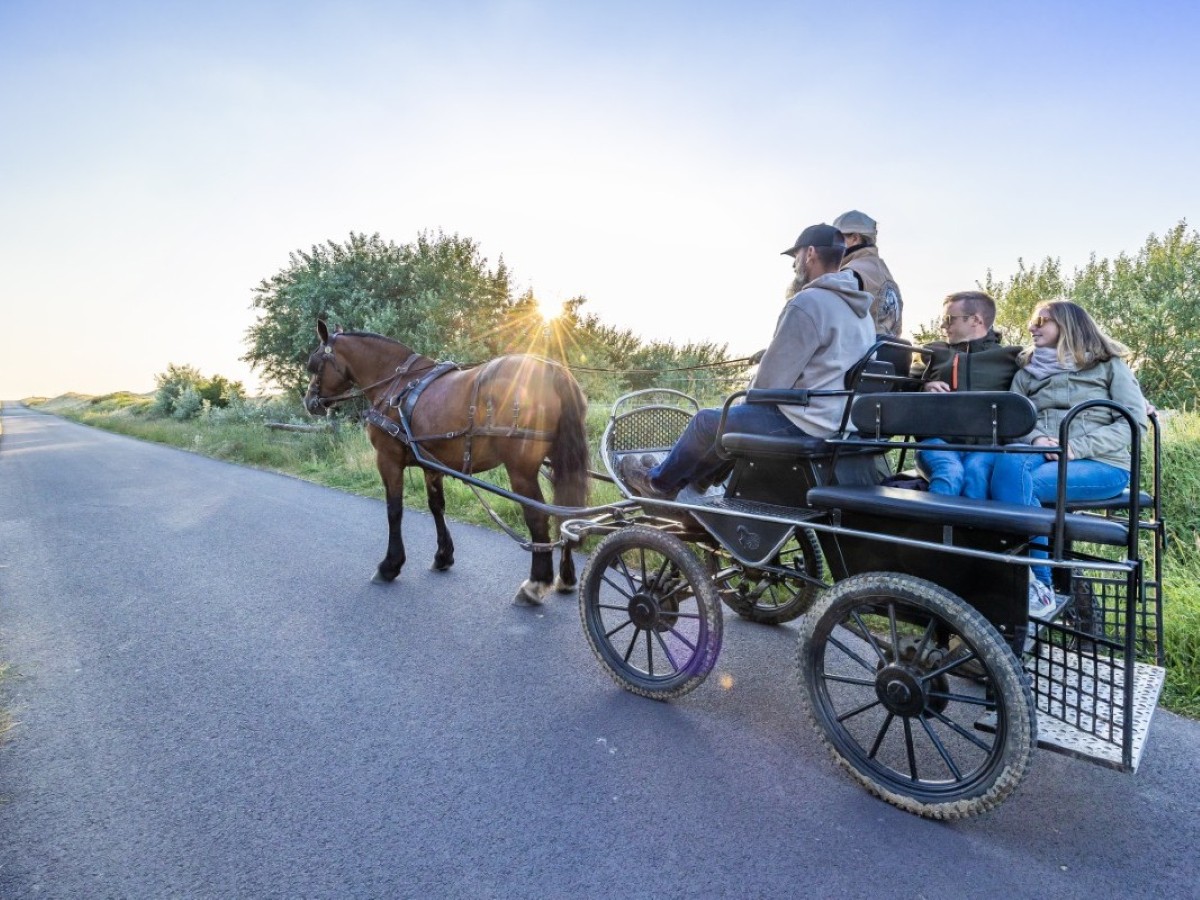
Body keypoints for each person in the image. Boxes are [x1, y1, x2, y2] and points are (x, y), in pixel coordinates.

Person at [620, 223, 875, 499]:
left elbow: (768, 385)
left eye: (797, 257)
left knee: (708, 421)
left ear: (810, 253)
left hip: (807, 423)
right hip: (838, 422)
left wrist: (741, 403)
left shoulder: (808, 302)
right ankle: (697, 485)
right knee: (731, 419)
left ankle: (658, 484)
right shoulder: (860, 313)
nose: (794, 266)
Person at [986, 300, 1148, 615]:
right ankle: (1034, 580)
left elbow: (1133, 423)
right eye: (1033, 320)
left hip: (1101, 463)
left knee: (1021, 482)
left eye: (1042, 321)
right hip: (1042, 451)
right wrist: (1036, 437)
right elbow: (1012, 421)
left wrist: (1076, 447)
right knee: (1008, 464)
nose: (1032, 326)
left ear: (1068, 325)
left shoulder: (1108, 365)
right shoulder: (1028, 371)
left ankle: (1037, 581)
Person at [910, 291, 1022, 496]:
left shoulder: (1010, 358)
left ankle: (968, 528)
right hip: (937, 443)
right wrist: (924, 387)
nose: (943, 326)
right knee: (950, 472)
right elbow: (903, 388)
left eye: (949, 319)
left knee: (976, 475)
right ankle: (933, 527)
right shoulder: (931, 353)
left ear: (976, 320)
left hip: (987, 447)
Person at [833, 209, 903, 337]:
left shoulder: (851, 274)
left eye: (837, 239)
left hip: (860, 355)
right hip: (888, 355)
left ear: (855, 238)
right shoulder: (889, 277)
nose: (833, 245)